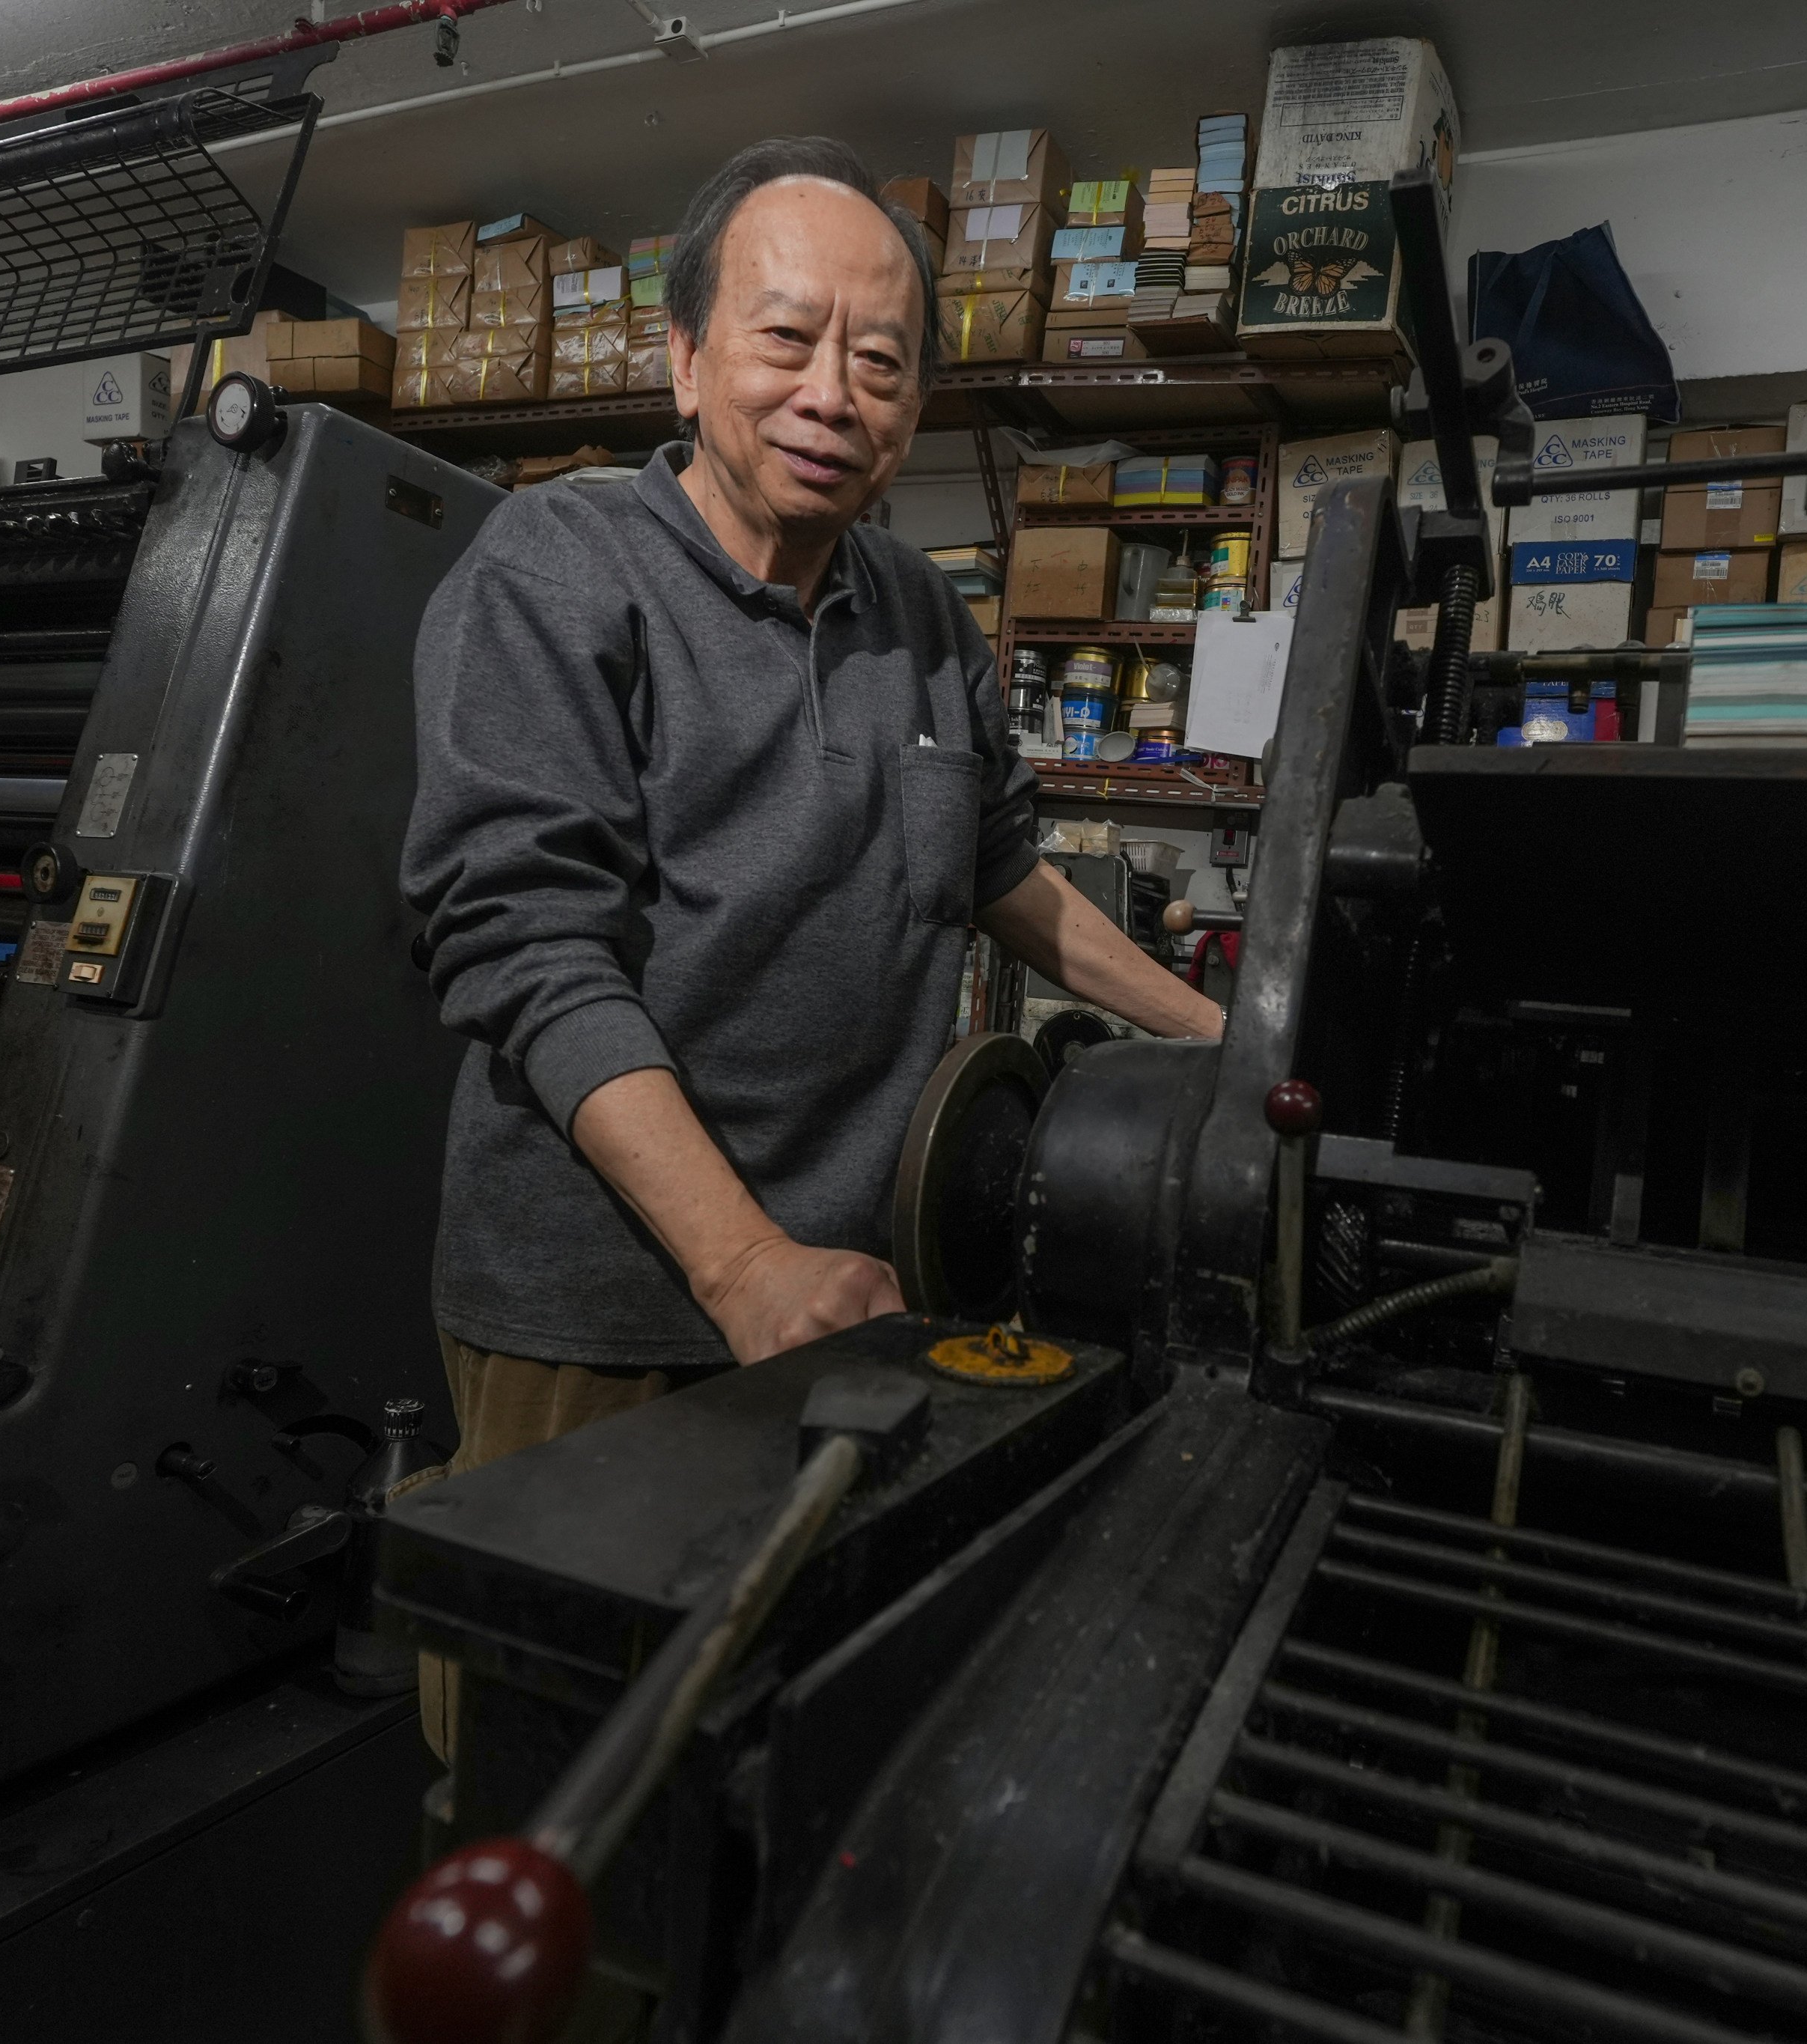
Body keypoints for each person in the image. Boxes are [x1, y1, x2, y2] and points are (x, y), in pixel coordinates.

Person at [400, 136, 1218, 1748]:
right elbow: (528, 945)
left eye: (882, 361)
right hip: (609, 1312)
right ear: (686, 358)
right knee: (559, 1757)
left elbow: (1003, 872)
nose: (832, 394)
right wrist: (741, 1264)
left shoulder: (923, 614)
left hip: (854, 1292)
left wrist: (1225, 1037)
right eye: (785, 339)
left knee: (791, 1728)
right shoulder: (559, 568)